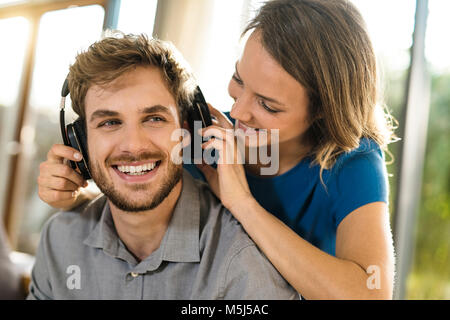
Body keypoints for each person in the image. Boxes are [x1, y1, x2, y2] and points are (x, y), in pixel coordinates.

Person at [38, 0, 396, 299]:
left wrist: (242, 203)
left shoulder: (354, 162)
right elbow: (135, 178)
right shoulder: (206, 133)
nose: (237, 113)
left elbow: (370, 294)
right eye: (239, 80)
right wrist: (77, 192)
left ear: (322, 109)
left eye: (268, 105)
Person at [28, 33, 298, 300]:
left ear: (186, 131)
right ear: (82, 143)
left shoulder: (243, 262)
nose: (133, 146)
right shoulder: (59, 240)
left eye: (154, 118)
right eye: (110, 122)